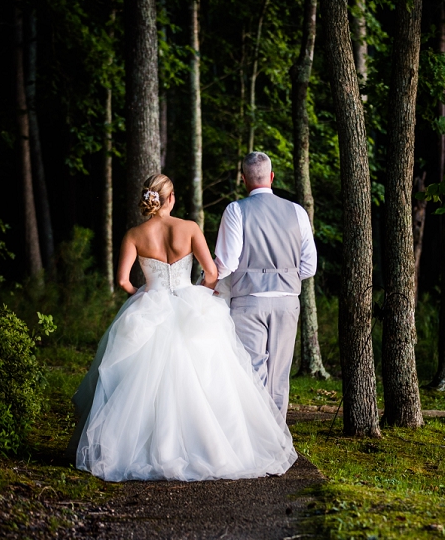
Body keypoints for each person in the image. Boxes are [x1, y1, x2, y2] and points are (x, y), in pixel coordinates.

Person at [69, 174, 297, 482]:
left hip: (152, 305)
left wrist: (142, 296)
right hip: (191, 304)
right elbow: (213, 273)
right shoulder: (189, 229)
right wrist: (202, 291)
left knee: (141, 382)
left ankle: (145, 449)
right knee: (208, 380)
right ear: (171, 198)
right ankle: (209, 447)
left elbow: (123, 280)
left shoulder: (135, 235)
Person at [214, 152, 317, 417]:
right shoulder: (297, 212)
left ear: (243, 179)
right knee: (279, 376)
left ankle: (256, 440)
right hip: (287, 301)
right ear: (271, 177)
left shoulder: (236, 210)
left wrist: (207, 285)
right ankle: (278, 441)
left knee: (252, 372)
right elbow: (309, 267)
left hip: (249, 300)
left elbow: (226, 263)